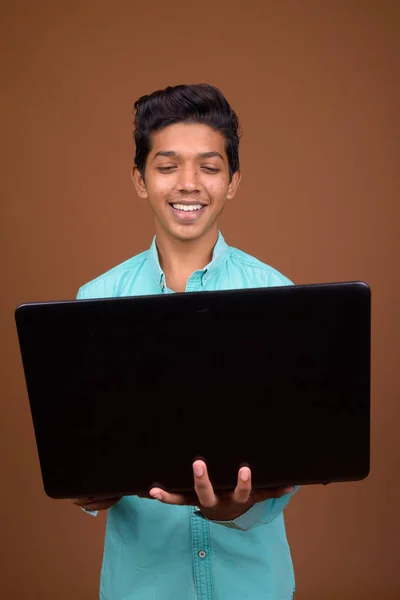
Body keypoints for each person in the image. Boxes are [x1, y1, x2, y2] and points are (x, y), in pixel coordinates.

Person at [74, 84, 298, 600]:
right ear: (140, 178)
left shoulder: (276, 295)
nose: (189, 184)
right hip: (140, 586)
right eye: (168, 165)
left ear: (233, 181)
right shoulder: (96, 300)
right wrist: (88, 489)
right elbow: (86, 445)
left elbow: (292, 450)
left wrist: (244, 507)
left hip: (254, 586)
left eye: (210, 167)